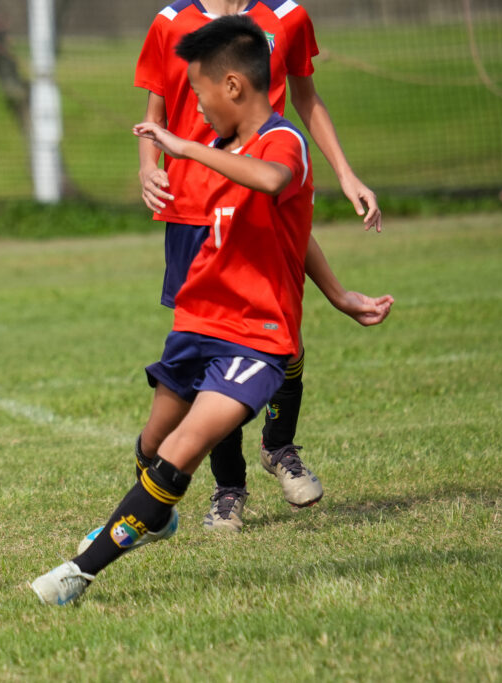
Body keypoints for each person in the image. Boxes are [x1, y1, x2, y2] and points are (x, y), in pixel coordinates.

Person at [31, 14, 393, 605]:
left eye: (199, 93)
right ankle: (154, 515)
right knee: (153, 447)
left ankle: (78, 572)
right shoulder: (216, 154)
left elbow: (274, 185)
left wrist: (187, 149)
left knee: (182, 451)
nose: (194, 107)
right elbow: (270, 222)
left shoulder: (282, 142)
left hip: (257, 340)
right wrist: (161, 167)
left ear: (234, 86)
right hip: (197, 327)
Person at [134, 0, 382, 530]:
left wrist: (346, 174)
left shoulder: (288, 17)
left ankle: (279, 445)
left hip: (260, 195)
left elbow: (307, 100)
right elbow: (155, 113)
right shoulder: (170, 22)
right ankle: (229, 488)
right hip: (193, 212)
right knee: (214, 354)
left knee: (282, 336)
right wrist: (148, 168)